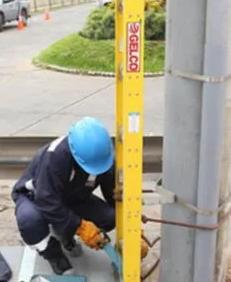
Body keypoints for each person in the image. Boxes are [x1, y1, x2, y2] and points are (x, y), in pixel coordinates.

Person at [10, 117, 149, 275]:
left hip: (71, 197)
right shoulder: (55, 157)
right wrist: (80, 226)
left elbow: (113, 195)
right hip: (36, 198)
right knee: (30, 222)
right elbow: (46, 199)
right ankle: (53, 254)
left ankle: (64, 233)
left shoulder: (102, 157)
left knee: (110, 218)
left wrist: (132, 226)